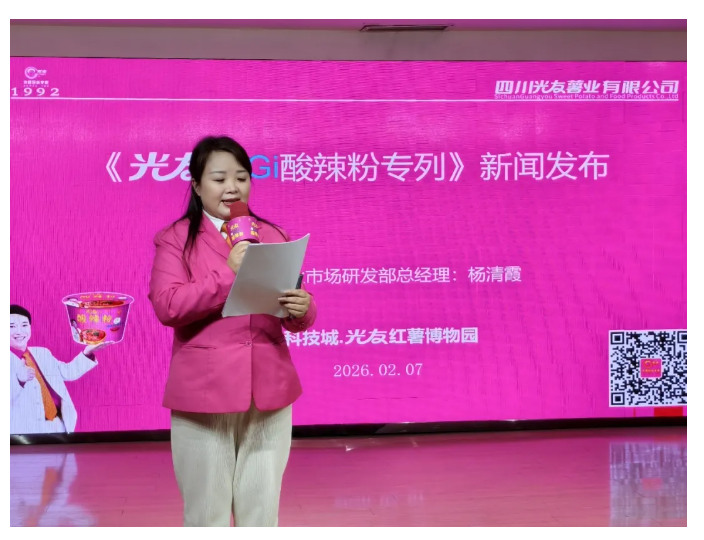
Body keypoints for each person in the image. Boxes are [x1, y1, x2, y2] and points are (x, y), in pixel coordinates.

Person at [148, 136, 317, 527]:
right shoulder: (175, 238)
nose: (232, 188)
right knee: (207, 514)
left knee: (261, 513)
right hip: (205, 393)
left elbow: (295, 307)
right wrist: (229, 273)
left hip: (270, 393)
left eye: (241, 177)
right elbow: (168, 305)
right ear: (196, 185)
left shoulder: (272, 234)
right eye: (219, 178)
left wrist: (303, 308)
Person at [10, 305, 111, 434]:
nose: (19, 331)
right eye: (11, 326)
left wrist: (87, 352)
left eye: (24, 325)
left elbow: (68, 372)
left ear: (30, 327)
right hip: (25, 432)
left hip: (59, 425)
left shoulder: (43, 353)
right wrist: (19, 381)